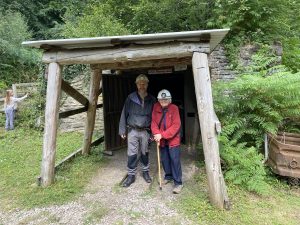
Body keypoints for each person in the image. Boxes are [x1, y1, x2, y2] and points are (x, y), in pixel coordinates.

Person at [119, 74, 156, 187]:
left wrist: (154, 132)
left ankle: (145, 172)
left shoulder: (152, 99)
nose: (142, 85)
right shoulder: (130, 98)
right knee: (132, 153)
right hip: (132, 130)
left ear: (147, 85)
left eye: (144, 83)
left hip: (145, 131)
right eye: (139, 83)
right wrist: (122, 130)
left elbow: (155, 117)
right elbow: (124, 114)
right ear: (136, 84)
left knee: (145, 152)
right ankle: (131, 175)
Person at [151, 89, 183, 194]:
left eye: (165, 100)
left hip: (173, 139)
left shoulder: (174, 108)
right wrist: (156, 134)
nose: (163, 101)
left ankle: (178, 183)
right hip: (161, 140)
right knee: (165, 159)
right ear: (158, 100)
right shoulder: (156, 107)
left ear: (169, 100)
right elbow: (154, 122)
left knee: (175, 160)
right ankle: (168, 176)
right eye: (161, 100)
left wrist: (162, 135)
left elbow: (176, 125)